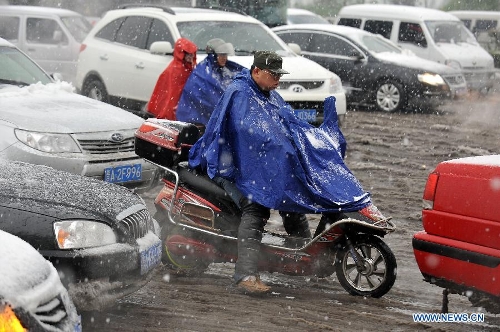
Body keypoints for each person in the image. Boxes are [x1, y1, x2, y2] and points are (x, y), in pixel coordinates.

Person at [188, 51, 387, 294]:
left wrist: (312, 138)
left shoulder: (268, 93)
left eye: (279, 75)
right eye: (273, 74)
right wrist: (279, 149)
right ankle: (245, 275)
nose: (278, 80)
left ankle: (305, 261)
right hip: (226, 166)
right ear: (256, 71)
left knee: (290, 195)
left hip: (255, 165)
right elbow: (248, 133)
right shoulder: (240, 93)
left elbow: (288, 121)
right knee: (256, 207)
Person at [176, 39, 245, 127]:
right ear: (213, 55)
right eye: (221, 55)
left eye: (226, 55)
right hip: (196, 121)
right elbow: (207, 98)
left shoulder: (226, 68)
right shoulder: (203, 73)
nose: (225, 58)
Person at [146, 37, 197, 120]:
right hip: (172, 115)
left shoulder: (188, 68)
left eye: (192, 54)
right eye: (188, 54)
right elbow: (171, 96)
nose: (190, 57)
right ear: (181, 54)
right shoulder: (176, 69)